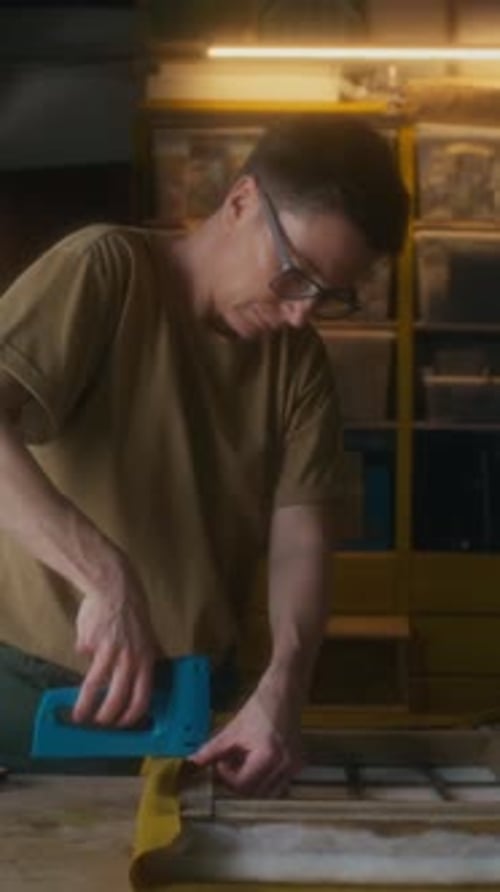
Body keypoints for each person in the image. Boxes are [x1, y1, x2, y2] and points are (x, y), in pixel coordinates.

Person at [0, 116, 408, 793]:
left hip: (195, 699)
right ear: (242, 201)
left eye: (328, 295)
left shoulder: (296, 359)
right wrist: (106, 577)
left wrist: (283, 686)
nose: (303, 312)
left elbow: (300, 543)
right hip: (34, 690)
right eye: (295, 274)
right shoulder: (108, 269)